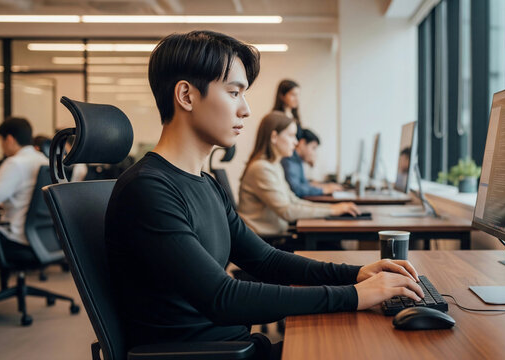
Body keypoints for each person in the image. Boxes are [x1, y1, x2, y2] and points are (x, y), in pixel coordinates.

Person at [105, 30, 424, 360]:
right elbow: (223, 297)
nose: (245, 109)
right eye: (234, 92)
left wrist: (356, 275)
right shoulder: (148, 190)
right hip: (211, 354)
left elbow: (266, 259)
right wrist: (354, 296)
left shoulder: (204, 183)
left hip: (235, 348)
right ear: (186, 95)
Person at [239, 112, 359, 236]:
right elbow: (287, 211)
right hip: (264, 242)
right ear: (274, 136)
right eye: (291, 136)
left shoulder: (274, 165)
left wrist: (333, 207)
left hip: (274, 237)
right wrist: (332, 210)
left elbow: (293, 201)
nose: (296, 142)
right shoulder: (261, 168)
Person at [0, 117, 48, 252]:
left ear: (9, 139)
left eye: (1, 141)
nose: (2, 147)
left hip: (16, 238)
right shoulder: (44, 160)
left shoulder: (15, 163)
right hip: (41, 238)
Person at [281, 128, 343, 197]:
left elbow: (304, 183)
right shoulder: (289, 160)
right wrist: (323, 189)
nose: (314, 153)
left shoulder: (298, 161)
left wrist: (324, 186)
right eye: (313, 148)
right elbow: (296, 189)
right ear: (302, 143)